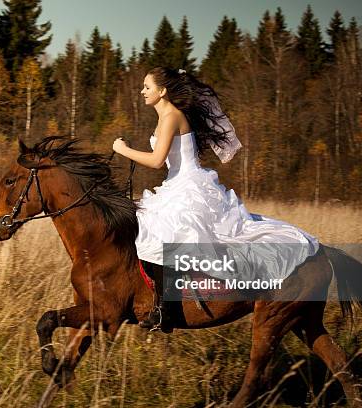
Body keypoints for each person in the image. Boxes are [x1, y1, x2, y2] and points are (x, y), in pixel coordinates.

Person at [112, 67, 319, 330]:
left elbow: (155, 161)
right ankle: (162, 303)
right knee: (154, 234)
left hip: (188, 185)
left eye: (147, 87)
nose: (142, 91)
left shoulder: (171, 117)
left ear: (162, 91)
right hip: (176, 183)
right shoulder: (167, 115)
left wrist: (123, 150)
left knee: (166, 234)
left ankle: (165, 309)